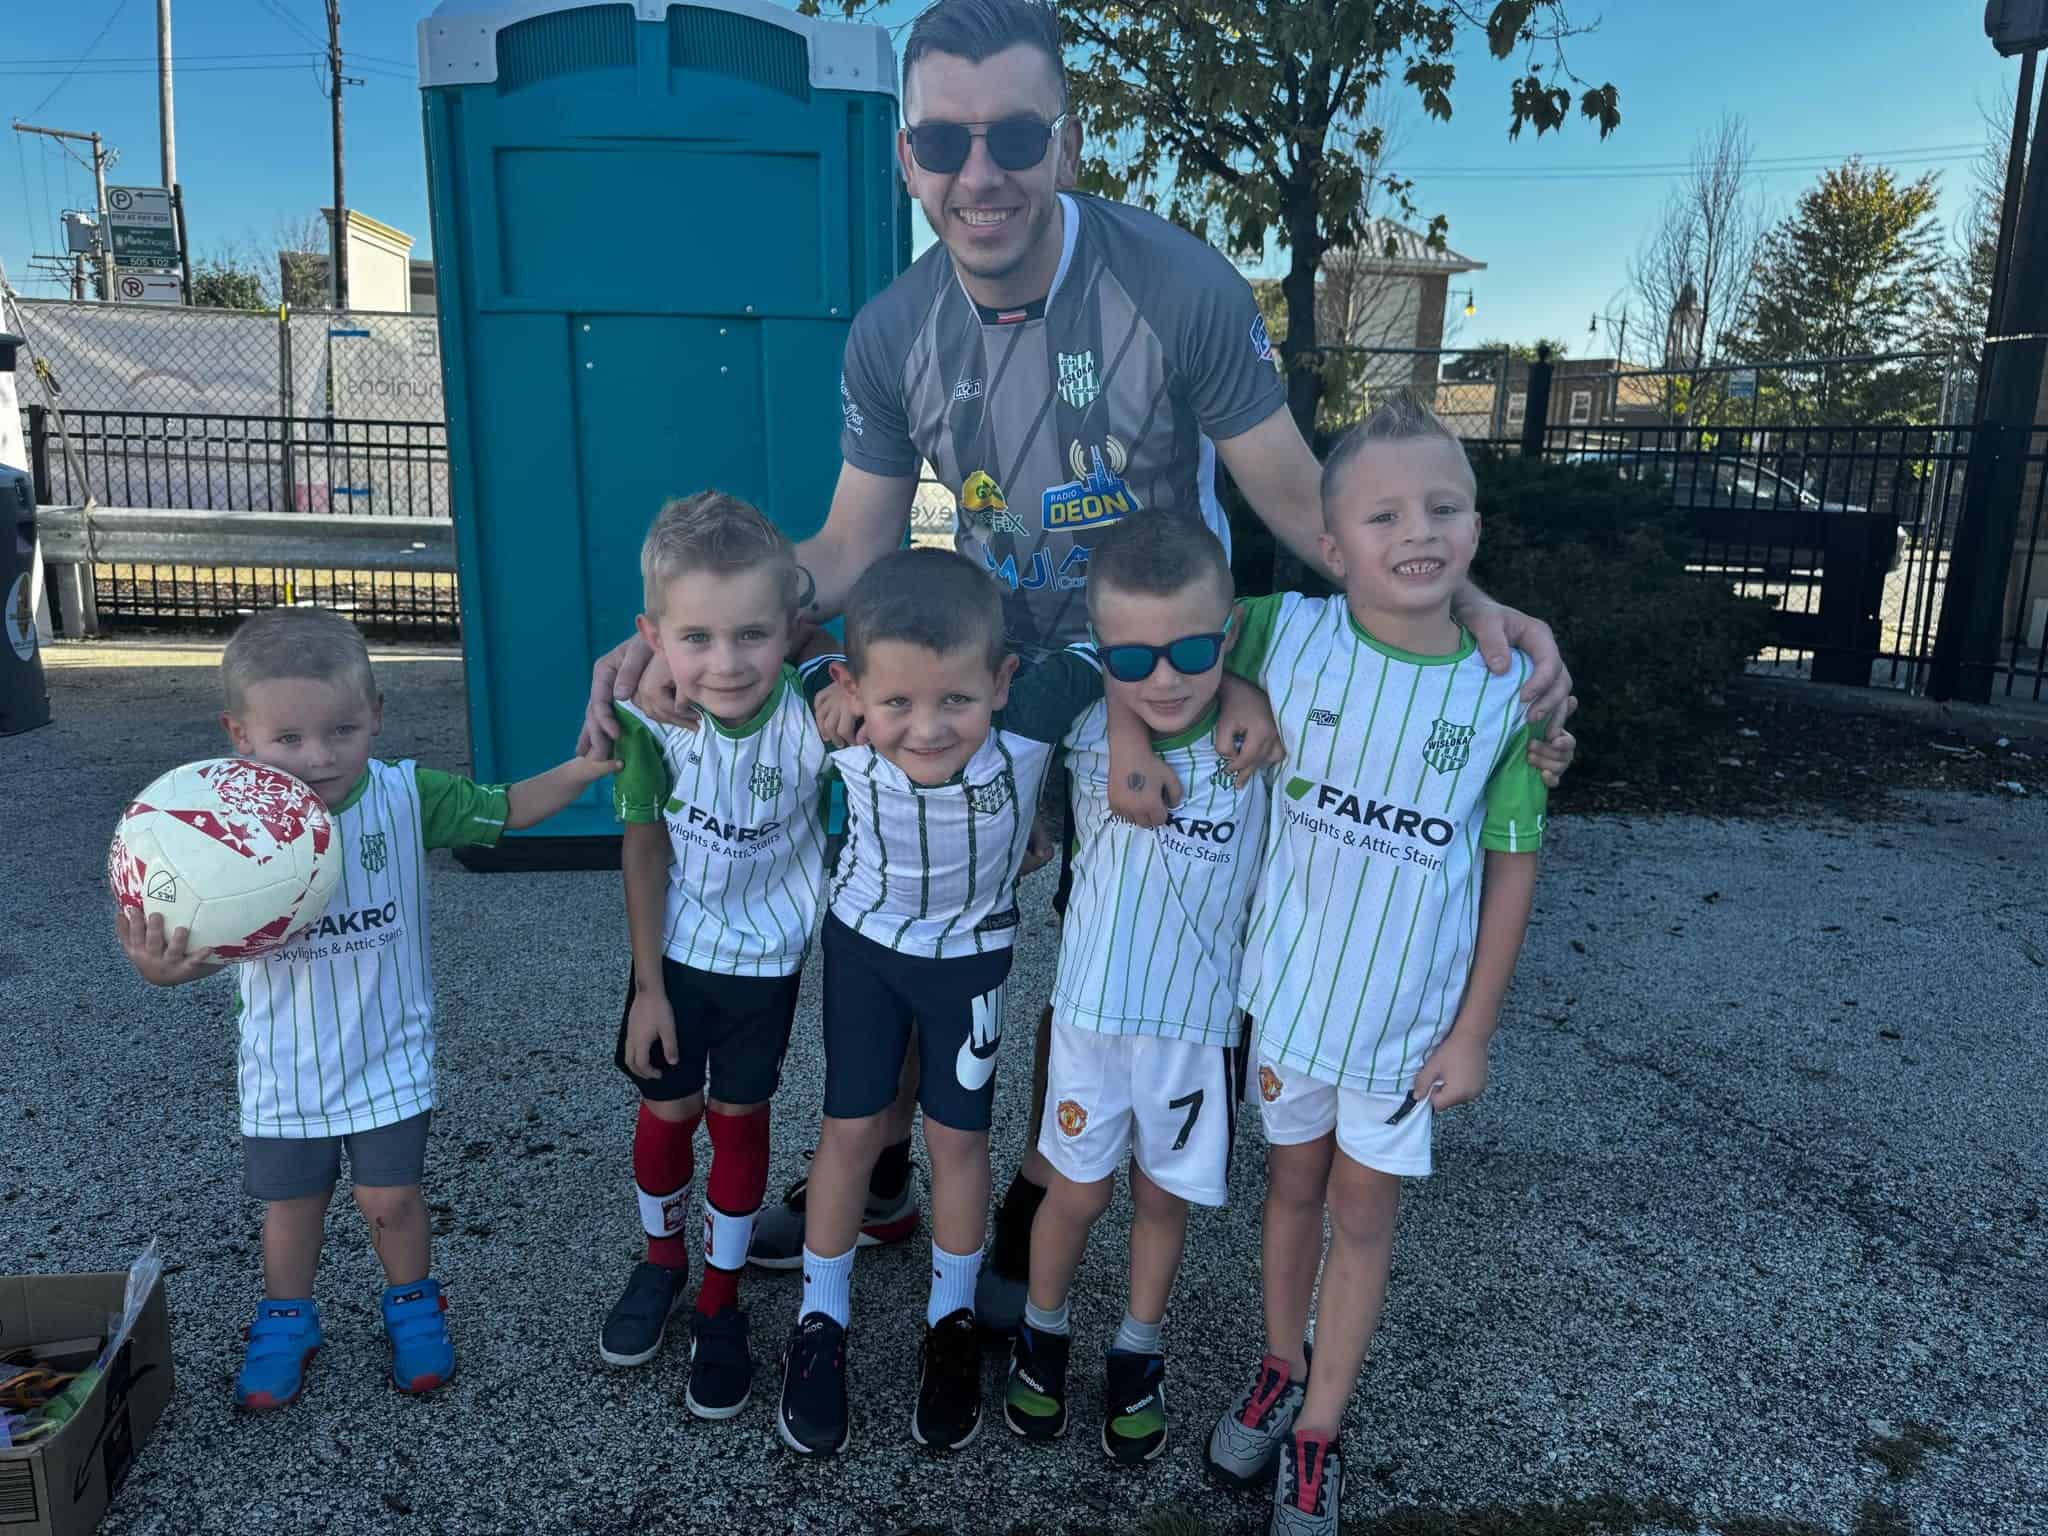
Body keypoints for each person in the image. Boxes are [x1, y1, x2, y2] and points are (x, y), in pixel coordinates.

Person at [581, 0, 1577, 1333]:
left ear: (1067, 139)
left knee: (1105, 955)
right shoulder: (891, 331)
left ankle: (1031, 1201)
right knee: (926, 904)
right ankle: (891, 1177)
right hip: (992, 676)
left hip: (1156, 675)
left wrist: (1471, 607)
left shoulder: (1177, 286)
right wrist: (681, 631)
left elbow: (1303, 504)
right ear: (905, 156)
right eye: (943, 140)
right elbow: (849, 545)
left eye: (1013, 135)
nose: (978, 172)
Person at [115, 607, 615, 1411]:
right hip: (284, 1068)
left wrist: (581, 770)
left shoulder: (407, 796)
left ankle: (412, 1306)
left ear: (376, 715)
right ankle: (287, 1319)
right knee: (292, 1207)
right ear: (238, 735)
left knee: (391, 1200)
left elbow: (509, 808)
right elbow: (189, 953)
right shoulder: (218, 834)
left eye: (342, 730)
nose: (318, 757)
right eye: (288, 739)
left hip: (389, 1057)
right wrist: (158, 969)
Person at [1200, 400, 1546, 1536]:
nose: (1418, 532)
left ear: (1476, 528)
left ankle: (1319, 1428)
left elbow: (1510, 868)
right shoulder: (1286, 634)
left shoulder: (1505, 691)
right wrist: (1234, 685)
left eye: (1442, 507)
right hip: (1290, 1003)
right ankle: (1277, 1361)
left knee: (1359, 1213)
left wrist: (1474, 1031)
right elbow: (1165, 630)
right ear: (1330, 545)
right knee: (1290, 1189)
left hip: (1403, 1028)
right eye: (1383, 514)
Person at [775, 547, 1104, 1458]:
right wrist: (815, 678)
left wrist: (1234, 698)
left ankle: (950, 1323)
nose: (926, 729)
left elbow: (1124, 644)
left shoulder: (1033, 709)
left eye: (956, 699)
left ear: (1002, 681)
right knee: (848, 1131)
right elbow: (787, 630)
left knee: (959, 1142)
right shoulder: (837, 703)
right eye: (897, 703)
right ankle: (820, 1322)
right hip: (866, 953)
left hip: (970, 962)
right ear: (854, 688)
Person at [1001, 510, 1269, 1466]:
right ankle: (1042, 1335)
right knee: (1074, 1193)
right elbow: (989, 705)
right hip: (1091, 1019)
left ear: (1228, 634)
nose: (1164, 678)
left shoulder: (1259, 737)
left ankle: (1137, 1352)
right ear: (1102, 649)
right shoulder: (1085, 723)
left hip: (1199, 1031)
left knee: (1162, 1201)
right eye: (1133, 659)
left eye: (1192, 650)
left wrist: (1245, 687)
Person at [598, 493, 841, 1420]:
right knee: (668, 1111)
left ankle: (720, 1298)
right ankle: (661, 1261)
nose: (726, 662)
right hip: (676, 961)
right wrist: (647, 987)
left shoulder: (815, 712)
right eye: (695, 637)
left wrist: (831, 664)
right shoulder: (650, 719)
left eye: (751, 635)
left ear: (790, 629)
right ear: (652, 637)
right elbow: (644, 847)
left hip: (767, 965)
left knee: (739, 1119)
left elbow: (868, 684)